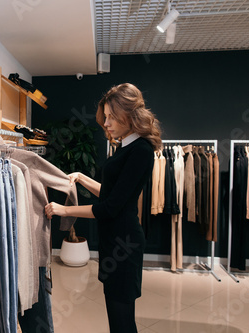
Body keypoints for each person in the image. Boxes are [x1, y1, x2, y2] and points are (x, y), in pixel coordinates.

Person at [44, 83, 162, 332]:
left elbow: (110, 207)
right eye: (105, 116)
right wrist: (82, 177)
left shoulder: (140, 150)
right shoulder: (126, 146)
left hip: (124, 243)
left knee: (122, 322)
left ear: (128, 114)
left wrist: (64, 210)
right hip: (115, 241)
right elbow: (113, 194)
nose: (106, 123)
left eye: (111, 116)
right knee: (117, 317)